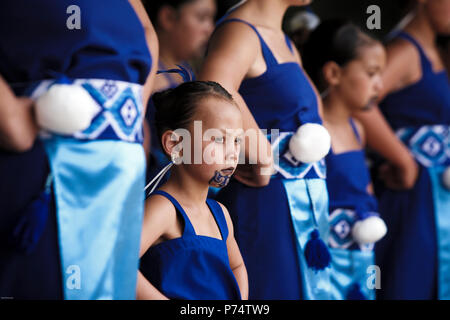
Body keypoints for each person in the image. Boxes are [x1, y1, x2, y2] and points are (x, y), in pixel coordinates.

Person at [0, 0, 158, 299]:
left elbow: (147, 31)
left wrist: (135, 108)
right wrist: (7, 114)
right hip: (42, 156)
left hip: (119, 170)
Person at [199, 0, 333, 299]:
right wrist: (259, 152)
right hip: (267, 203)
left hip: (306, 205)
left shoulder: (283, 39)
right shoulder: (240, 33)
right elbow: (213, 88)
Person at [355, 0, 450, 299]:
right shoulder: (405, 51)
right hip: (411, 196)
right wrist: (402, 159)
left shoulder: (433, 50)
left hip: (435, 198)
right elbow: (358, 103)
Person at [138, 81, 248, 300]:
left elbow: (237, 266)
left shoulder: (220, 214)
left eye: (236, 140)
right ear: (175, 144)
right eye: (219, 139)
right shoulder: (163, 209)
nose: (232, 153)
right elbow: (121, 264)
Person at [303, 20, 387, 300]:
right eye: (372, 73)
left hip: (361, 258)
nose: (380, 84)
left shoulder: (358, 129)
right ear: (334, 73)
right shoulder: (314, 133)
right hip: (328, 262)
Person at [142, 0, 216, 185]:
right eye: (201, 18)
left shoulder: (192, 72)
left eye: (211, 19)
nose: (210, 29)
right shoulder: (147, 72)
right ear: (168, 17)